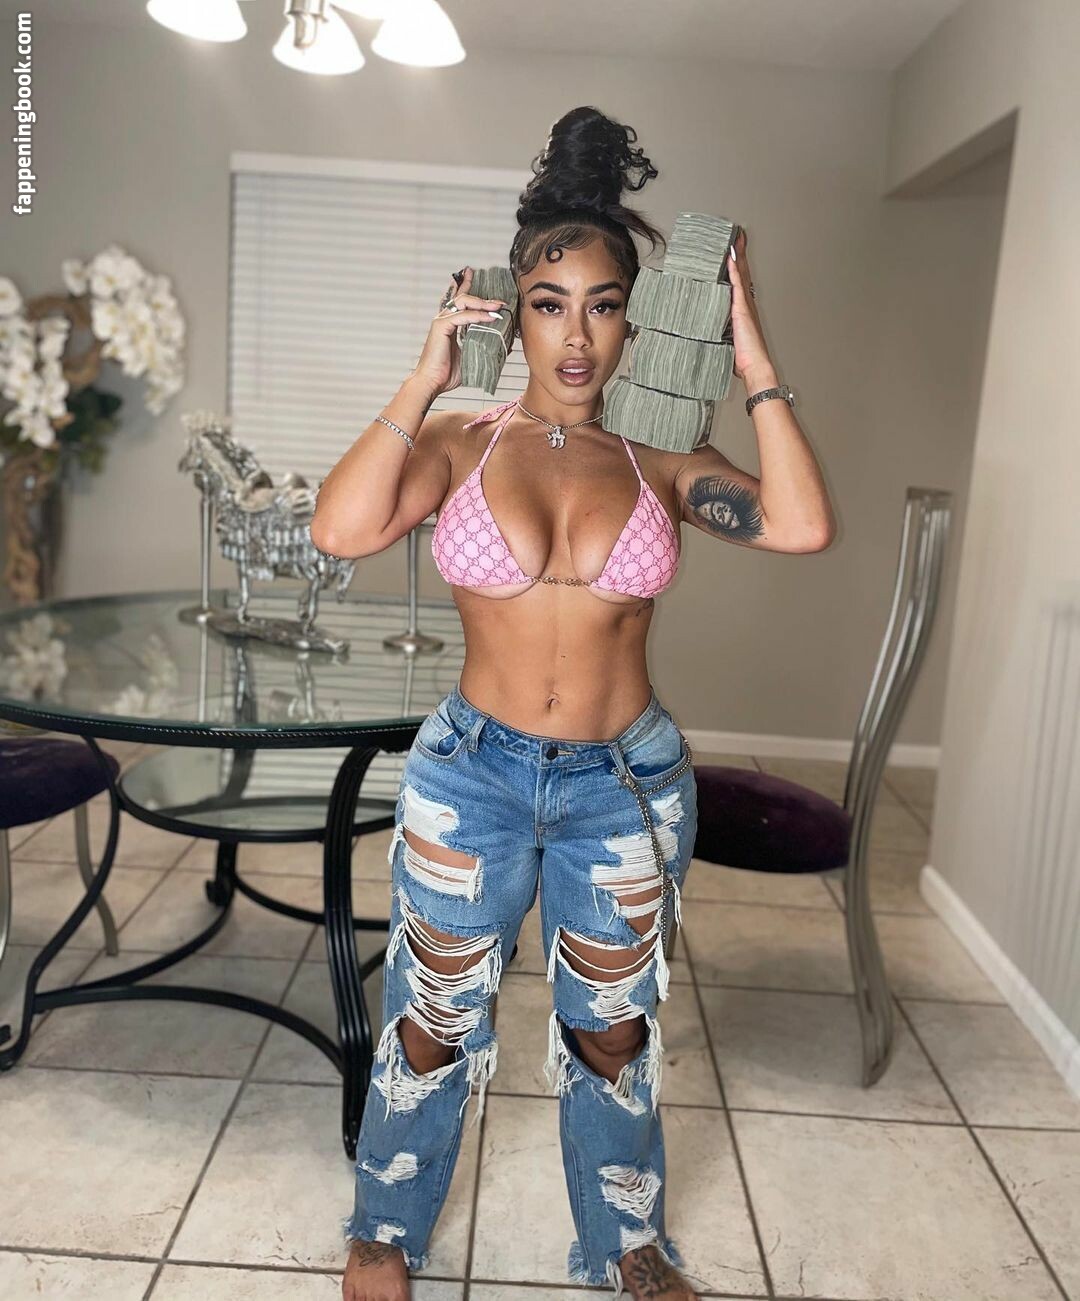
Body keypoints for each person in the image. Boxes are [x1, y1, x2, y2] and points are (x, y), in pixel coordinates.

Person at [311, 105, 836, 1301]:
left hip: (621, 782)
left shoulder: (661, 458)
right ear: (517, 314)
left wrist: (753, 357)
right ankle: (384, 1224)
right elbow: (340, 528)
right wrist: (426, 372)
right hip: (473, 773)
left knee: (614, 1029)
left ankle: (628, 1239)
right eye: (550, 304)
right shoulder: (463, 442)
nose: (577, 334)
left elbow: (802, 524)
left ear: (634, 321)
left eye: (603, 305)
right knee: (434, 1015)